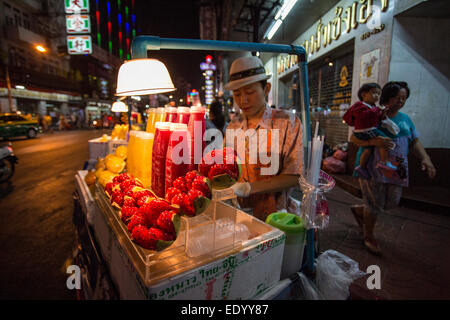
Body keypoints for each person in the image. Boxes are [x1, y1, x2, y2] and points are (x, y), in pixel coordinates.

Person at [349, 81, 436, 255]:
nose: (400, 101)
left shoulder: (405, 119)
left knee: (392, 201)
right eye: (397, 98)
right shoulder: (374, 115)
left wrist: (426, 158)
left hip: (397, 168)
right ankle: (369, 236)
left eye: (404, 98)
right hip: (374, 167)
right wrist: (374, 141)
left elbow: (414, 141)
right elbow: (354, 138)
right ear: (387, 98)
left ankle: (361, 210)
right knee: (374, 204)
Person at [223, 56, 303, 222]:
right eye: (237, 94)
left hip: (276, 217)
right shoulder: (233, 125)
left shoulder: (287, 122)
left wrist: (250, 187)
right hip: (239, 216)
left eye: (250, 92)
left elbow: (295, 176)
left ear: (266, 89)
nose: (243, 100)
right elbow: (226, 168)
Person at [343, 83, 398, 179]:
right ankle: (384, 162)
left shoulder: (372, 107)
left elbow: (375, 117)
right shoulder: (360, 105)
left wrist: (381, 113)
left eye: (379, 94)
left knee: (368, 149)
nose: (377, 96)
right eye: (374, 93)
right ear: (364, 94)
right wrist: (377, 110)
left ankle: (362, 167)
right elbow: (364, 115)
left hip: (366, 131)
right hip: (366, 131)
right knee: (384, 141)